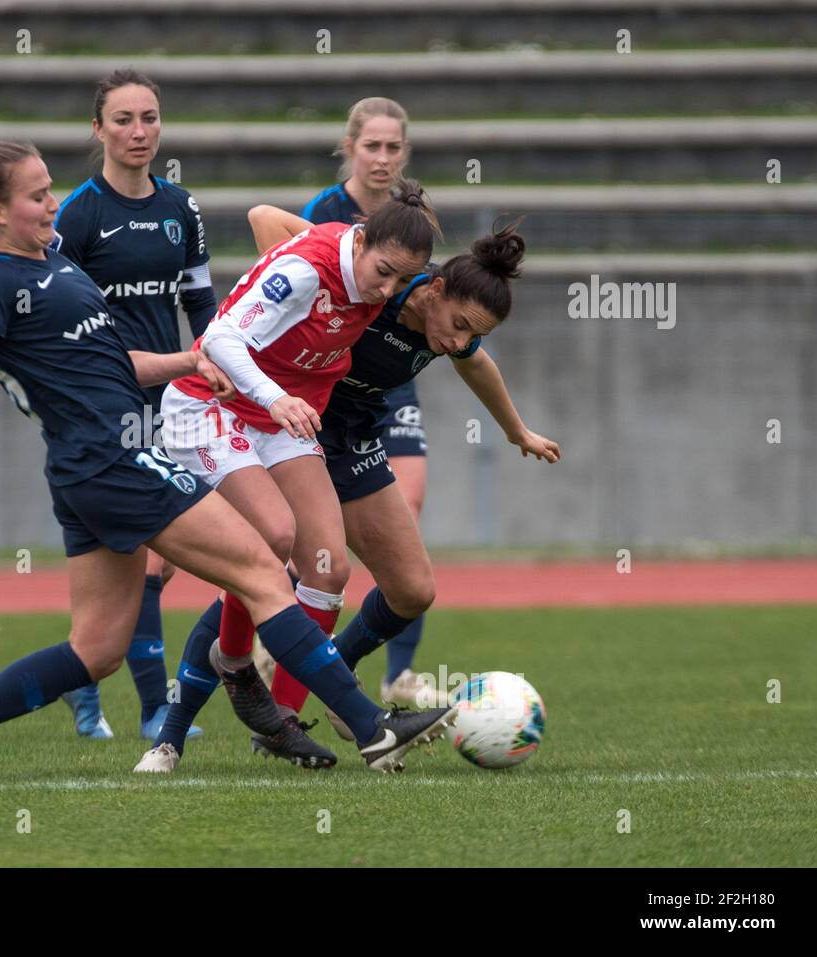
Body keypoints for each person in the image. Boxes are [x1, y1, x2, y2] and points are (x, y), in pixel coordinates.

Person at [0, 111, 448, 781]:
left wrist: (192, 361)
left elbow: (117, 366)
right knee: (261, 564)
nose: (56, 203)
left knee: (95, 649)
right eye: (40, 194)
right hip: (112, 461)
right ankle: (370, 728)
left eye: (52, 190)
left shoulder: (56, 267)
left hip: (88, 471)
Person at [135, 180, 455, 773]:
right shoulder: (308, 269)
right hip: (215, 404)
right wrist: (276, 397)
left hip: (281, 417)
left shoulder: (381, 275)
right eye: (381, 272)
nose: (385, 291)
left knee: (330, 567)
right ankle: (235, 669)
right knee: (276, 541)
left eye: (397, 281)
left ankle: (279, 723)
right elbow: (224, 339)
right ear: (360, 240)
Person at [243, 205, 561, 752]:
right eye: (459, 327)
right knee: (290, 570)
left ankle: (333, 669)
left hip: (359, 441)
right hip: (300, 430)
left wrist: (516, 431)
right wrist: (289, 296)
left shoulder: (454, 333)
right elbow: (268, 220)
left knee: (413, 591)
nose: (460, 342)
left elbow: (475, 364)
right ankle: (228, 720)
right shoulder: (383, 284)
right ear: (434, 289)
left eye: (473, 335)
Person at [50, 69, 217, 742]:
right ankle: (155, 708)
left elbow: (200, 303)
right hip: (104, 402)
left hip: (172, 396)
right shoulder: (79, 214)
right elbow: (56, 310)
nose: (139, 131)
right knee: (147, 557)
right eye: (123, 119)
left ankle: (83, 678)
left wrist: (212, 363)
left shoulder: (181, 207)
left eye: (149, 117)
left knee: (147, 563)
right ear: (98, 130)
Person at [298, 95, 445, 705]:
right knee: (313, 540)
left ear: (404, 153)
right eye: (371, 146)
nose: (382, 158)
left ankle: (398, 672)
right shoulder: (325, 212)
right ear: (350, 148)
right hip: (331, 378)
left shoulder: (414, 216)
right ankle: (289, 621)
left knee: (405, 509)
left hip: (391, 381)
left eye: (393, 148)